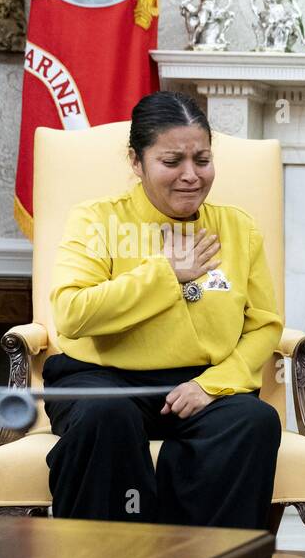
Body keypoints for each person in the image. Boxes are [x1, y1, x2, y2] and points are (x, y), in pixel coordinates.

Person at [44, 91, 283, 533]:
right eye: (172, 161)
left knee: (253, 421)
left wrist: (213, 385)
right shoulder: (96, 220)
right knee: (104, 417)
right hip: (102, 378)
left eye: (203, 159)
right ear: (137, 161)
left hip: (197, 382)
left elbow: (264, 325)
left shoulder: (237, 228)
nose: (191, 176)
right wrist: (167, 275)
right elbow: (72, 314)